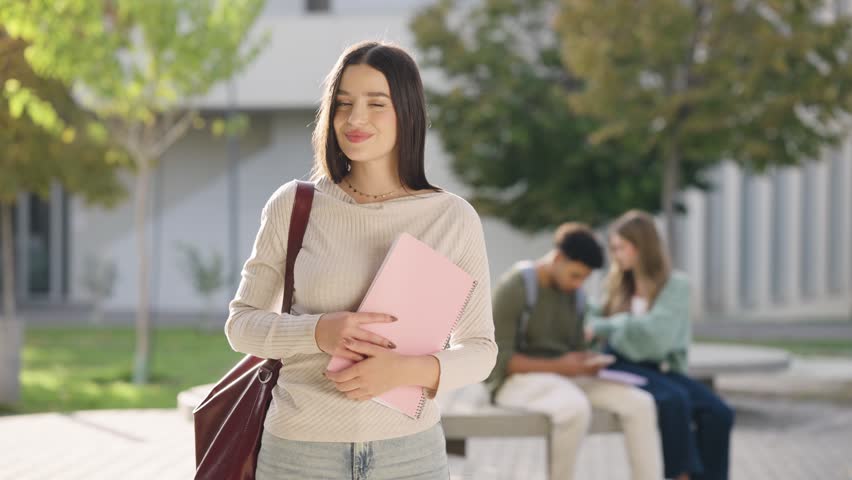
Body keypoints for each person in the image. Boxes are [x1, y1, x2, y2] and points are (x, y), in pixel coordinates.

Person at [224, 41, 497, 479]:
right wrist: (318, 332)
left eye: (376, 103)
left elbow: (482, 349)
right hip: (299, 453)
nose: (355, 119)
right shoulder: (294, 206)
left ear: (407, 113)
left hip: (411, 456)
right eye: (343, 104)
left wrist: (405, 371)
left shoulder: (453, 218)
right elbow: (240, 325)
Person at [486, 222, 663, 480]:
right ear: (558, 258)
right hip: (514, 381)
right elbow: (498, 361)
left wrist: (588, 360)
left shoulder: (576, 296)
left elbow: (575, 352)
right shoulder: (515, 287)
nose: (578, 284)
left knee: (641, 404)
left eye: (584, 278)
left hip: (564, 378)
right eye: (575, 275)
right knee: (575, 408)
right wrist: (564, 366)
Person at [586, 210, 734, 480]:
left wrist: (608, 324)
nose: (615, 254)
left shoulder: (675, 285)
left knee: (719, 412)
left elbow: (657, 333)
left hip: (660, 366)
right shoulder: (618, 283)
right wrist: (596, 321)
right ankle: (681, 475)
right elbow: (594, 315)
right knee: (673, 401)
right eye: (613, 247)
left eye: (621, 247)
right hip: (622, 363)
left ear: (642, 247)